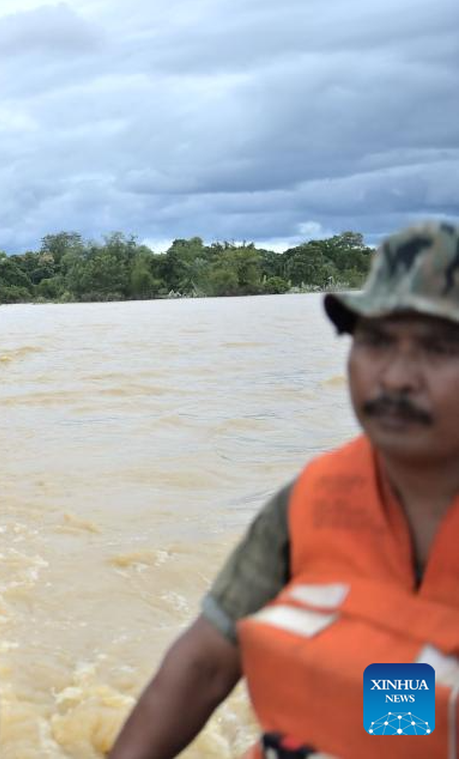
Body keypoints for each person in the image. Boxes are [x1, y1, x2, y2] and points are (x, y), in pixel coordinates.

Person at [109, 220, 459, 759]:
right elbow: (205, 663)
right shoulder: (316, 500)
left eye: (437, 349)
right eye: (376, 341)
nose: (395, 378)